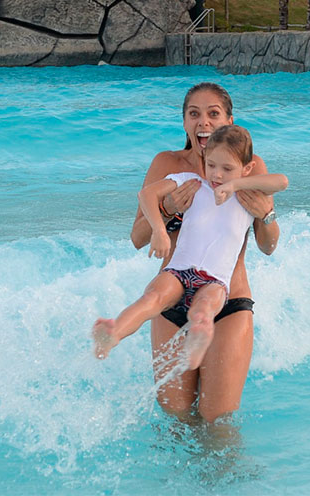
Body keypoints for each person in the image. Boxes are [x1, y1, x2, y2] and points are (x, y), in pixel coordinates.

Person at [123, 82, 280, 423]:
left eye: (213, 114)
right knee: (175, 418)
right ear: (184, 122)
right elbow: (137, 238)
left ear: (230, 121)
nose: (204, 122)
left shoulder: (249, 167)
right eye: (194, 114)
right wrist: (165, 209)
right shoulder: (168, 164)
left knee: (217, 421)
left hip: (229, 303)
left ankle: (228, 478)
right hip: (172, 302)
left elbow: (268, 246)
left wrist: (265, 213)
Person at [92, 125, 288, 371]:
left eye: (227, 169)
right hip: (177, 271)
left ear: (246, 169)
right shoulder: (192, 181)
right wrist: (160, 232)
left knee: (204, 308)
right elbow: (147, 195)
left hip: (215, 281)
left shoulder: (249, 193)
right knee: (152, 298)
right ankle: (113, 332)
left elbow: (282, 182)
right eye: (212, 165)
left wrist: (235, 186)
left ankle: (197, 342)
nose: (216, 175)